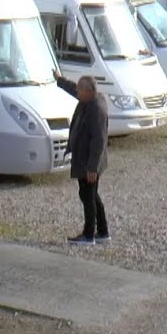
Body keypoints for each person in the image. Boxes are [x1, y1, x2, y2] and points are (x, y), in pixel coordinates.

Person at [63, 75, 110, 245]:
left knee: (87, 196)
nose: (77, 92)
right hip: (86, 160)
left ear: (87, 91)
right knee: (91, 195)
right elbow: (74, 88)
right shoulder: (89, 99)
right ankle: (103, 231)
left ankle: (88, 235)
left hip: (89, 162)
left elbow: (99, 141)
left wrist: (92, 168)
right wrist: (60, 80)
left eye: (79, 90)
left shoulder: (96, 110)